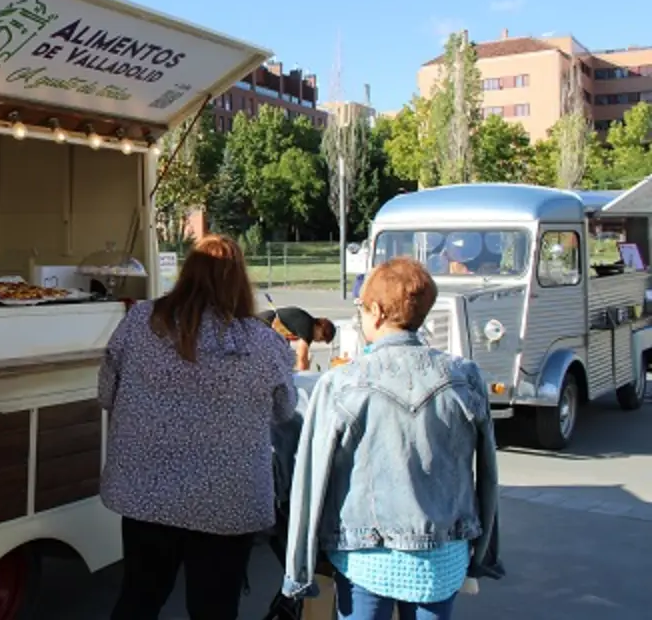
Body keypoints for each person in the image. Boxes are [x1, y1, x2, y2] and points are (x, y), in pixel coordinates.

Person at [283, 257, 503, 620]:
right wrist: (483, 552)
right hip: (443, 554)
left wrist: (299, 569)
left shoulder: (340, 383)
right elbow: (487, 474)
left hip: (363, 554)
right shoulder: (465, 377)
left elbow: (311, 479)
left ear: (377, 311)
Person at [98, 234, 299, 620]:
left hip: (146, 493)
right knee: (214, 609)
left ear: (187, 274)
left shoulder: (140, 321)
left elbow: (108, 394)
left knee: (139, 599)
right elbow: (284, 410)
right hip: (227, 501)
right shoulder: (262, 342)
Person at [259, 306, 337, 371]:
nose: (319, 340)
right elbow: (302, 357)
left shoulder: (305, 323)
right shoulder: (308, 327)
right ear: (319, 326)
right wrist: (304, 376)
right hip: (263, 324)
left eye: (322, 341)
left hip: (266, 326)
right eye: (322, 337)